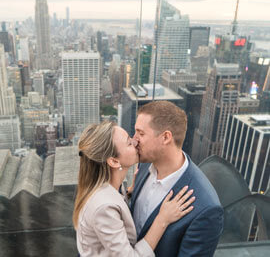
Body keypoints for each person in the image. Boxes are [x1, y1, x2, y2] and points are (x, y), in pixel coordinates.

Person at [73, 121, 195, 257]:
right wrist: (163, 219)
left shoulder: (107, 187)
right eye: (129, 143)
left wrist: (130, 193)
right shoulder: (103, 207)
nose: (136, 142)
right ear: (114, 161)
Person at [131, 101, 224, 257]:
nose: (134, 140)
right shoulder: (145, 164)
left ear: (166, 137)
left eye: (141, 133)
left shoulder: (206, 208)